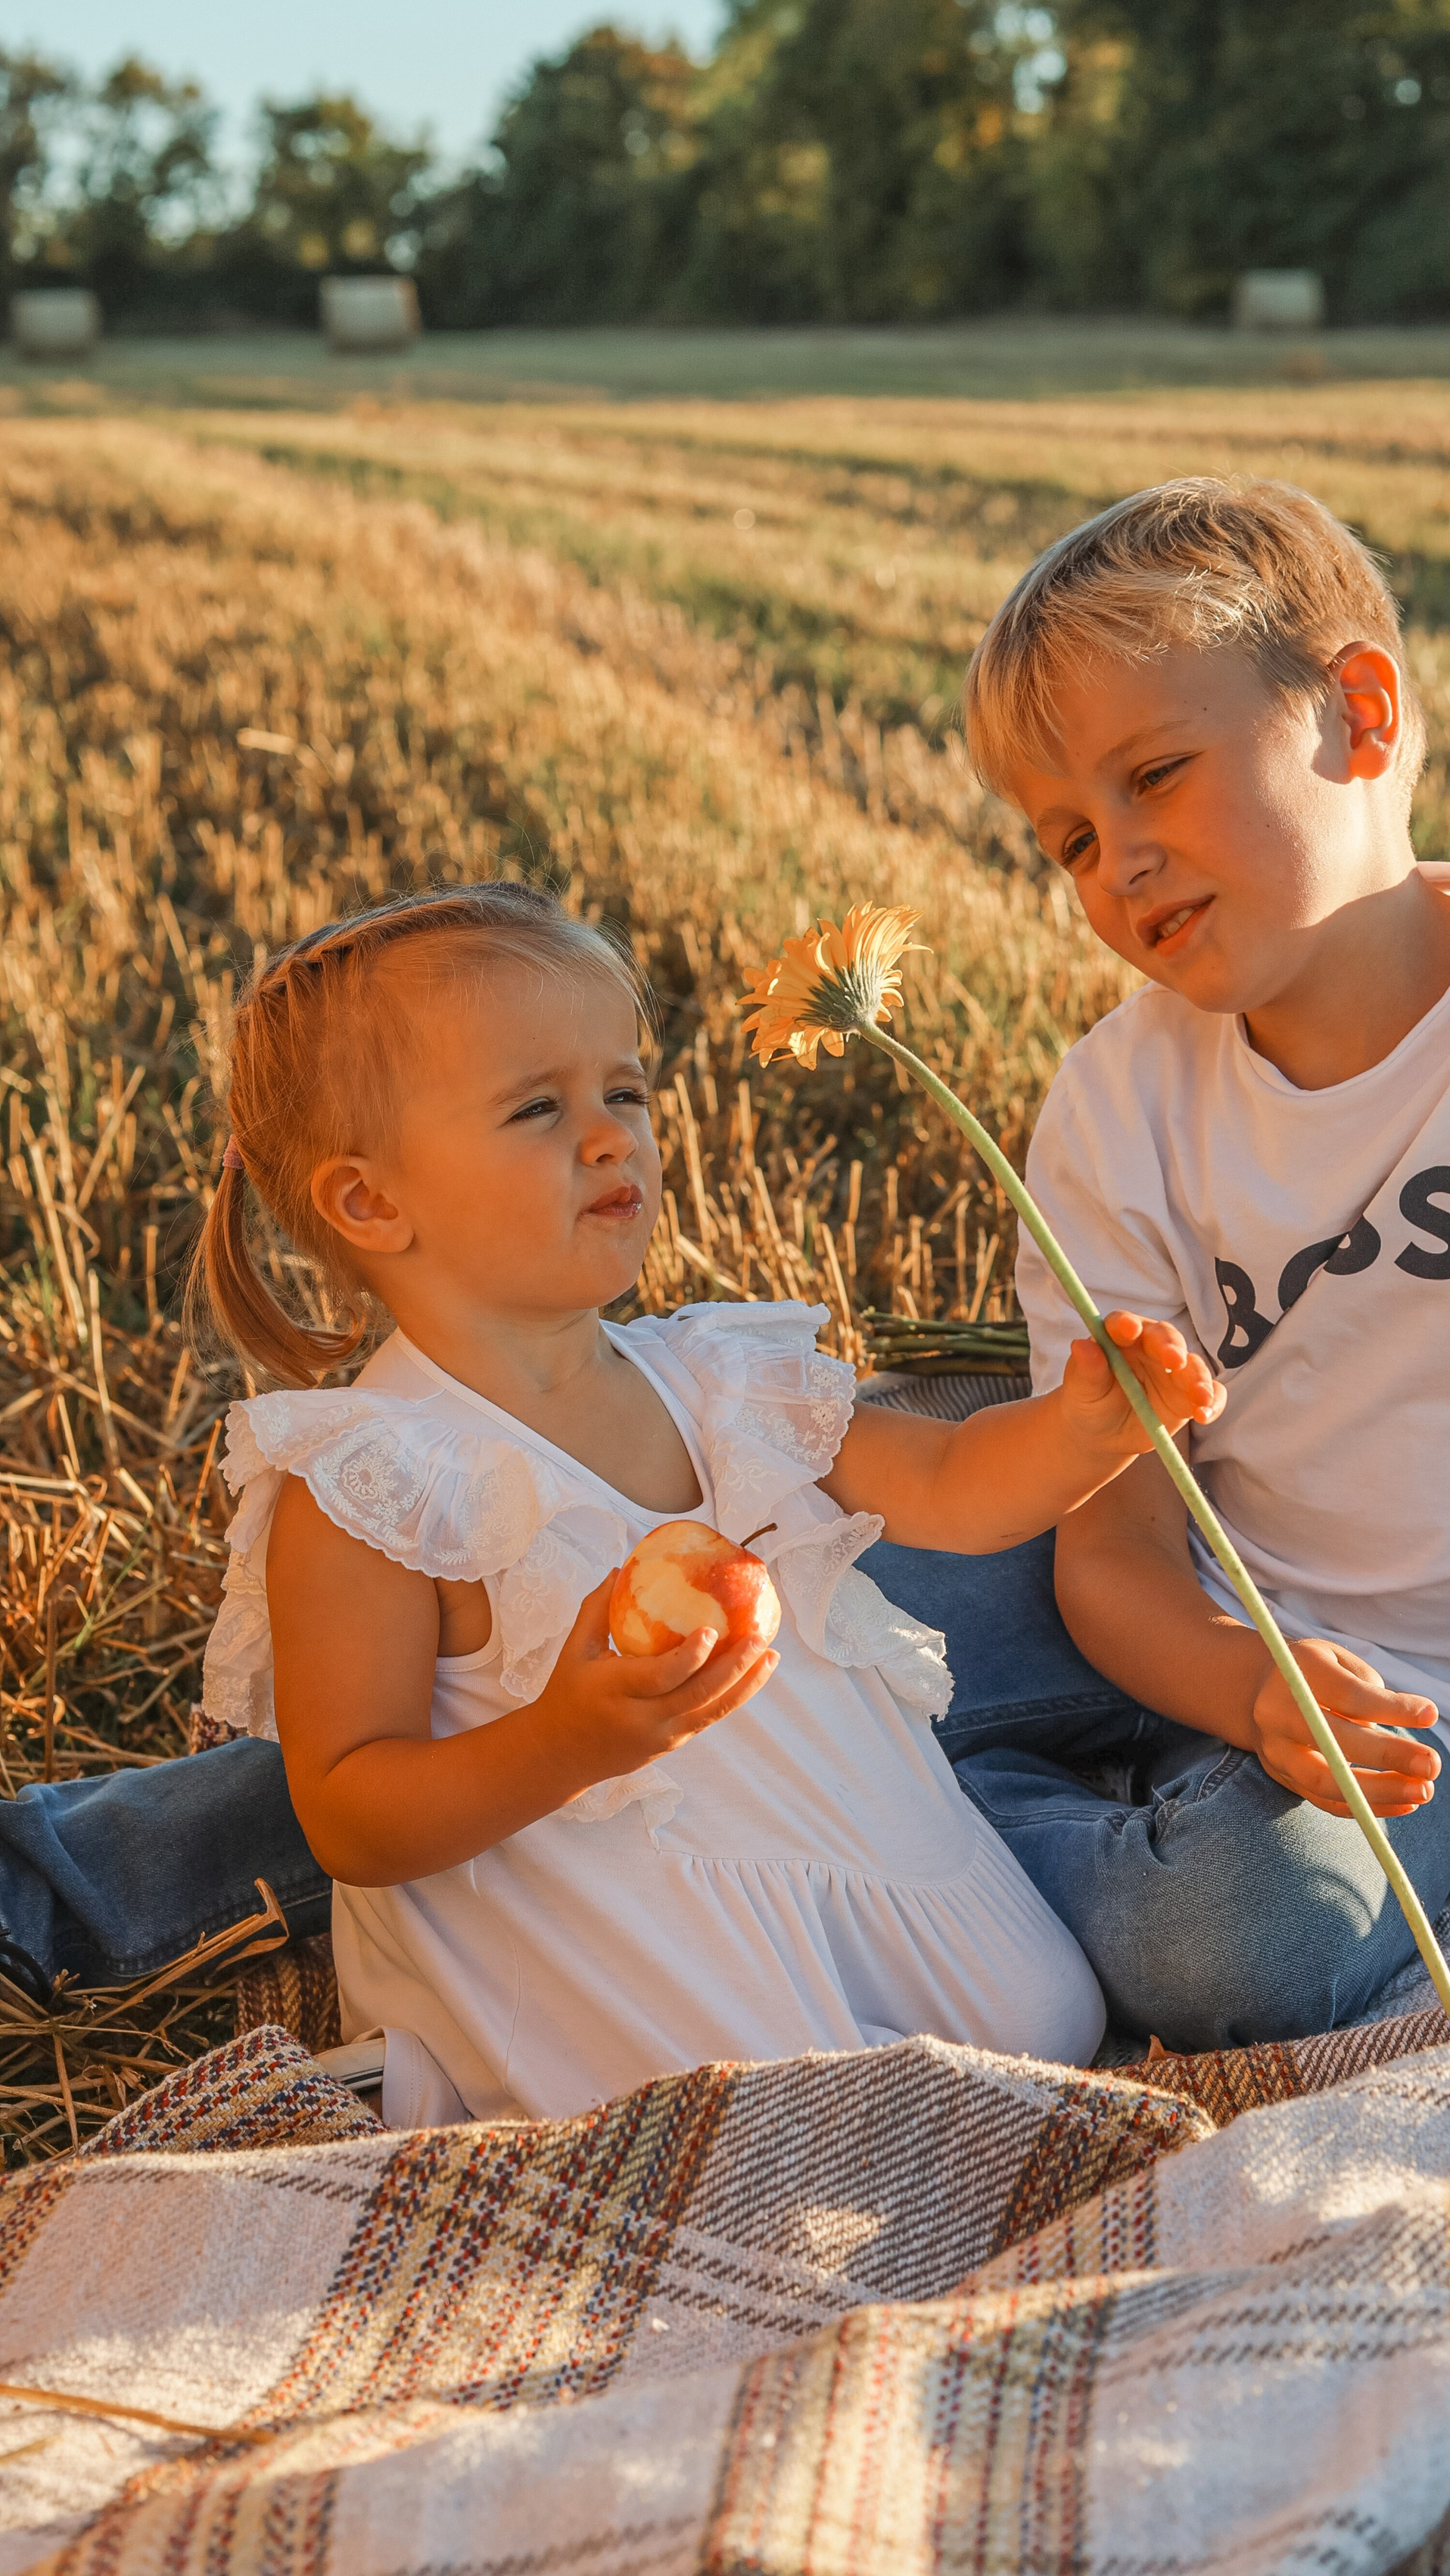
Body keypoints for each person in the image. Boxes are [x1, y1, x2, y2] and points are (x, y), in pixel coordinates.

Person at [869, 473, 1450, 2046]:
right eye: (1071, 839)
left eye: (1155, 777)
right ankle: (921, 1792)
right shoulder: (1114, 1099)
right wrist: (1239, 1683)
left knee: (1242, 1947)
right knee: (766, 1576)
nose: (1117, 863)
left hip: (1411, 1705)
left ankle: (916, 1829)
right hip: (1163, 1627)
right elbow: (1112, 1553)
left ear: (1358, 713)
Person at [162, 881, 1218, 2123]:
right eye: (539, 1108)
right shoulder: (376, 1480)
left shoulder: (716, 1379)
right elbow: (351, 1812)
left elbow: (952, 1488)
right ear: (370, 1202)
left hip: (838, 1839)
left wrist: (1084, 1430)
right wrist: (563, 1741)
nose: (613, 1137)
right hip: (606, 1933)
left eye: (625, 1092)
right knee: (763, 2121)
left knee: (1046, 2014)